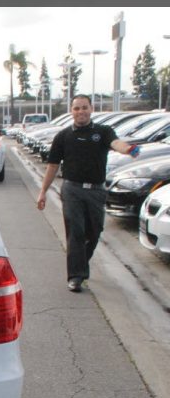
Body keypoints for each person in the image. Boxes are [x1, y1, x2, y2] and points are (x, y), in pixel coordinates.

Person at [36, 94, 140, 292]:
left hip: (96, 191)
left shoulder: (103, 132)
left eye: (84, 107)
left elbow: (117, 144)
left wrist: (128, 149)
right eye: (76, 108)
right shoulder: (63, 136)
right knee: (76, 232)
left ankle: (80, 262)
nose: (80, 111)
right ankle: (76, 276)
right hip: (72, 190)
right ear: (71, 111)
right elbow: (52, 165)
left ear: (91, 109)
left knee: (95, 231)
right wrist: (43, 192)